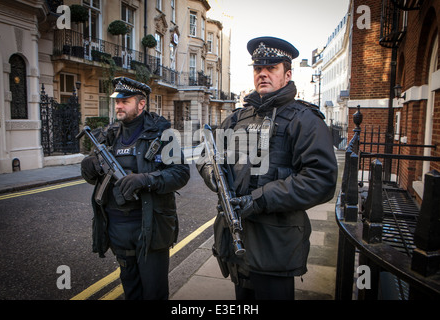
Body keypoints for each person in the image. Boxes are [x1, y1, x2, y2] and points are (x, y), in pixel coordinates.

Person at [197, 36, 338, 300]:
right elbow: (206, 153)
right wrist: (211, 173)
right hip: (236, 239)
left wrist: (260, 199)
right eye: (257, 68)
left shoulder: (304, 120)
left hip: (275, 246)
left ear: (287, 74)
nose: (262, 74)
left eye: (271, 68)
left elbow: (321, 180)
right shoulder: (238, 118)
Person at [80, 76, 190, 300]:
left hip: (149, 226)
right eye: (117, 101)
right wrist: (88, 167)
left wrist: (146, 179)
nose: (118, 106)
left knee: (154, 292)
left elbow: (180, 173)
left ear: (141, 104)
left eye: (125, 101)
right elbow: (93, 179)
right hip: (117, 228)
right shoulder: (108, 135)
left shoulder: (161, 134)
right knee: (131, 290)